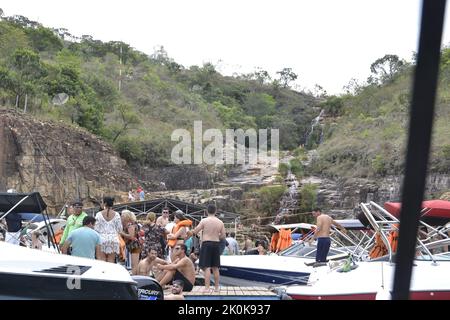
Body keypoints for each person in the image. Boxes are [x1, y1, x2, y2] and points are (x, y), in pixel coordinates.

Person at [187, 203, 226, 292]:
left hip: (206, 244)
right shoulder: (220, 222)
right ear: (215, 211)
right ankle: (216, 288)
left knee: (207, 267)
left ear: (206, 211)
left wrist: (189, 232)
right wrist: (216, 237)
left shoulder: (204, 221)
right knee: (215, 267)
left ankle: (207, 288)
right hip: (216, 244)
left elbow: (195, 231)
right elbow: (223, 236)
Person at [95, 196, 122, 263]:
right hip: (113, 239)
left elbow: (96, 228)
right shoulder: (117, 215)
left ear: (105, 203)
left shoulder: (98, 214)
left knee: (102, 260)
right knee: (111, 260)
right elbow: (119, 229)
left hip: (101, 239)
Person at [120, 210, 142, 274]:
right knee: (134, 264)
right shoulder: (129, 224)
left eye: (122, 216)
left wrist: (121, 233)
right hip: (132, 246)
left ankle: (135, 277)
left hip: (135, 246)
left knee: (134, 265)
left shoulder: (130, 224)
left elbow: (131, 236)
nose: (121, 217)